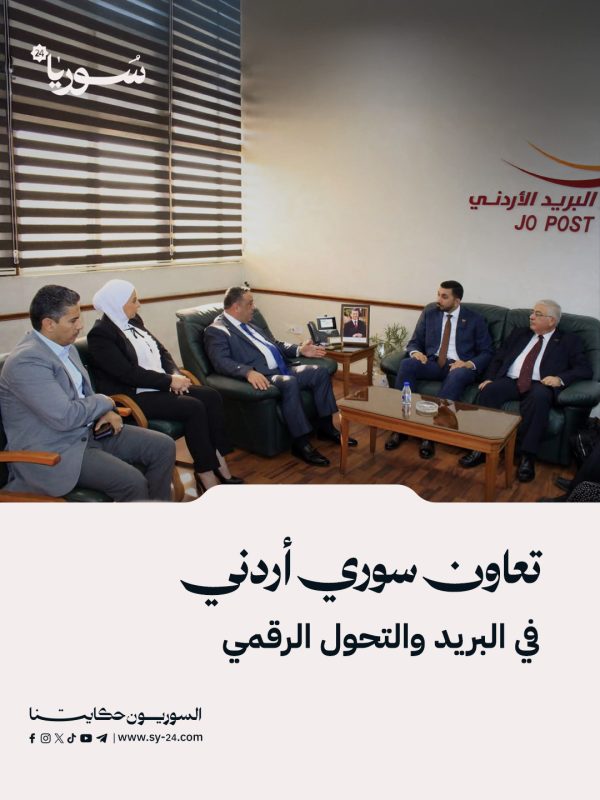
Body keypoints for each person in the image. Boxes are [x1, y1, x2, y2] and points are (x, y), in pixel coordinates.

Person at [0, 285, 175, 501]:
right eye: (73, 320)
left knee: (163, 446)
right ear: (49, 324)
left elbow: (85, 395)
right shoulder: (27, 362)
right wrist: (105, 401)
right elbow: (65, 416)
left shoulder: (67, 347)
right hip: (57, 451)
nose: (80, 326)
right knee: (132, 482)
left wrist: (107, 412)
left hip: (90, 432)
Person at [88, 279, 242, 494]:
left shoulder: (133, 321)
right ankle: (206, 473)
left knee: (211, 396)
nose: (138, 304)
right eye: (134, 300)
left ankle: (218, 458)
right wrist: (169, 381)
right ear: (118, 303)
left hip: (158, 384)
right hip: (134, 396)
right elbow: (127, 374)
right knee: (193, 407)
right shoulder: (101, 335)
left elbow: (162, 352)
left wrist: (175, 375)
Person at [204, 286, 357, 466]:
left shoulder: (250, 323)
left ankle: (326, 428)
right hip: (265, 376)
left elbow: (275, 344)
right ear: (236, 307)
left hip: (284, 368)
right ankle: (301, 444)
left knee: (320, 372)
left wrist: (300, 350)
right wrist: (247, 372)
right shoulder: (217, 330)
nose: (254, 307)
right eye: (250, 303)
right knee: (289, 382)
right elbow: (221, 362)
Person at [459, 299, 592, 482]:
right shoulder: (519, 333)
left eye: (538, 314)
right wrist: (490, 378)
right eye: (532, 312)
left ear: (552, 321)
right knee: (489, 391)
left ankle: (527, 457)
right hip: (511, 380)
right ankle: (481, 448)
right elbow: (499, 357)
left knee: (539, 398)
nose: (531, 317)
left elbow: (584, 369)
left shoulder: (569, 341)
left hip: (540, 383)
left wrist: (559, 379)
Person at [385, 280, 493, 458]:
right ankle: (400, 427)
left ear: (457, 301)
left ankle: (430, 435)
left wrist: (467, 363)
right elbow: (414, 342)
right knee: (407, 364)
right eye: (438, 294)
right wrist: (416, 353)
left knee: (457, 376)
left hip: (459, 366)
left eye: (444, 296)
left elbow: (487, 351)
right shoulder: (430, 313)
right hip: (433, 362)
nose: (438, 300)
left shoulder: (475, 319)